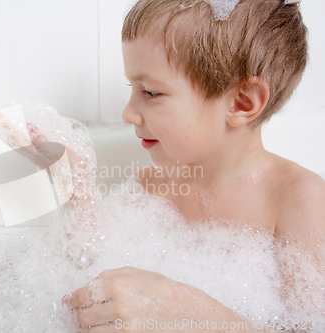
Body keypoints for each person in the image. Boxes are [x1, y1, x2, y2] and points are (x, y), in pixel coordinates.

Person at [55, 0, 325, 331]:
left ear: (241, 102)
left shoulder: (299, 200)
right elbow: (87, 260)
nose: (128, 113)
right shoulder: (150, 187)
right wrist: (75, 182)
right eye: (132, 88)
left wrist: (196, 315)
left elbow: (308, 326)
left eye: (151, 92)